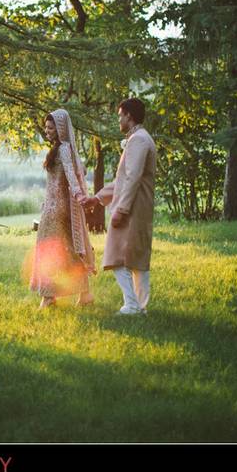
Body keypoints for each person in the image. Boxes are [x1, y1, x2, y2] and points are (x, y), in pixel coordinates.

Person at [82, 98, 156, 316]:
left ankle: (133, 305)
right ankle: (139, 306)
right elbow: (122, 180)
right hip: (136, 205)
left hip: (133, 207)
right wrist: (96, 199)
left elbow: (132, 178)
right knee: (134, 257)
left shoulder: (139, 140)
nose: (119, 120)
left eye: (120, 116)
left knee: (117, 257)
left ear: (129, 116)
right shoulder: (139, 138)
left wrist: (121, 210)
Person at [29, 109, 96, 309]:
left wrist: (79, 195)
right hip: (54, 208)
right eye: (46, 127)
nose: (47, 131)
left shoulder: (64, 149)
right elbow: (79, 169)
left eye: (50, 128)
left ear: (60, 129)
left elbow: (72, 175)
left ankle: (49, 298)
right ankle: (85, 294)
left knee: (49, 250)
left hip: (56, 211)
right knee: (68, 250)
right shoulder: (62, 149)